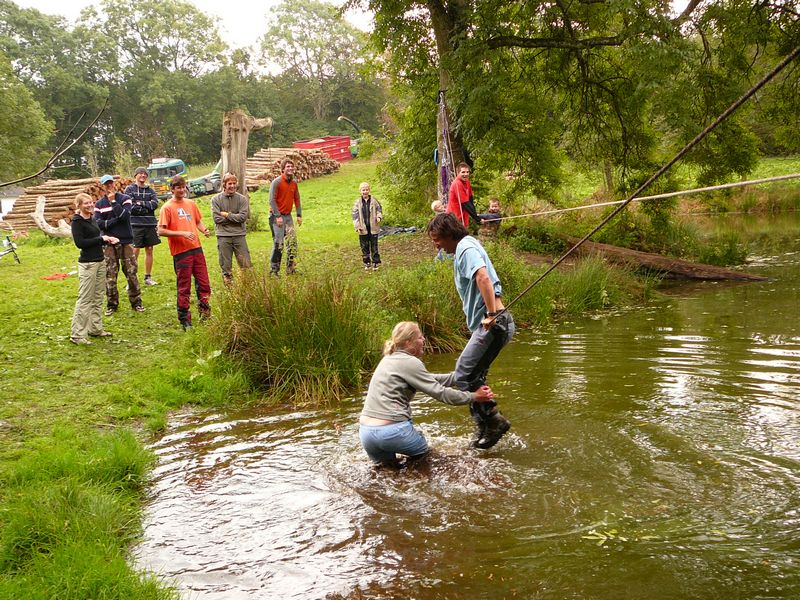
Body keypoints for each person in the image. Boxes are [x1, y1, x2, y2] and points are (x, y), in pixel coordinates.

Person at [426, 212, 515, 449]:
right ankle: (485, 427)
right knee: (474, 377)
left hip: (495, 323)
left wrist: (490, 314)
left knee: (463, 374)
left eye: (436, 238)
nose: (435, 244)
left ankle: (493, 420)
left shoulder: (465, 249)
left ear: (448, 234)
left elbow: (483, 277)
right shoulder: (467, 246)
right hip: (496, 323)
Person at [360, 321, 495, 466]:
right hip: (393, 432)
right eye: (420, 337)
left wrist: (458, 377)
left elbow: (429, 379)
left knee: (388, 474)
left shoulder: (388, 360)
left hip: (366, 433)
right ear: (408, 342)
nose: (424, 340)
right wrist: (474, 396)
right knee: (430, 462)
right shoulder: (411, 362)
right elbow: (441, 394)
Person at [157, 175, 212, 330]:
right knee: (184, 286)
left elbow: (197, 221)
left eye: (183, 187)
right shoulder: (167, 208)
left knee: (204, 282)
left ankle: (205, 312)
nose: (181, 190)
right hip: (181, 252)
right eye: (178, 187)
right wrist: (181, 233)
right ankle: (184, 319)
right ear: (172, 189)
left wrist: (204, 230)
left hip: (196, 248)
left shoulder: (191, 203)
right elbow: (161, 231)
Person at [70, 193, 119, 345]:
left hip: (100, 261)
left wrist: (108, 239)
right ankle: (77, 335)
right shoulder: (77, 222)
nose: (90, 205)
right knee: (85, 299)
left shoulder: (92, 218)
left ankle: (95, 329)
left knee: (98, 297)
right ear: (79, 205)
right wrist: (101, 239)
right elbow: (80, 243)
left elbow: (96, 238)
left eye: (91, 202)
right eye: (86, 203)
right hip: (88, 264)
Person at [93, 174, 144, 315]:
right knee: (110, 275)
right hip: (108, 243)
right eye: (106, 184)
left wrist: (114, 202)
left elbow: (125, 216)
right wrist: (113, 221)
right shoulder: (98, 204)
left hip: (126, 242)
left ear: (114, 184)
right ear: (102, 186)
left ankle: (136, 302)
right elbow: (98, 223)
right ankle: (112, 305)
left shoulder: (125, 199)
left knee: (131, 273)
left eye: (110, 183)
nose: (109, 186)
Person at [211, 172, 251, 285]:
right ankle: (229, 290)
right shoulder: (216, 199)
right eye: (230, 183)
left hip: (239, 235)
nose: (232, 186)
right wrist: (235, 217)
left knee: (245, 264)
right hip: (223, 236)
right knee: (226, 266)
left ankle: (246, 287)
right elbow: (217, 219)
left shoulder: (242, 199)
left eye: (234, 183)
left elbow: (243, 217)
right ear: (224, 184)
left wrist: (227, 215)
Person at [124, 166, 160, 286]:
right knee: (135, 250)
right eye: (140, 173)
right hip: (135, 224)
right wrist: (146, 208)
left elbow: (155, 203)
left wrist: (141, 203)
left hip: (150, 224)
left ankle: (147, 277)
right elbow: (130, 206)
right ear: (136, 175)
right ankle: (132, 279)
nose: (143, 176)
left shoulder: (151, 190)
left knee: (149, 249)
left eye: (145, 174)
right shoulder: (129, 189)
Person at [268, 159, 302, 275]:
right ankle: (274, 270)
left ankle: (291, 268)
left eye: (292, 166)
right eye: (288, 166)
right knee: (279, 244)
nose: (290, 168)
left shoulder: (294, 183)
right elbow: (271, 200)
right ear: (283, 169)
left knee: (292, 243)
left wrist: (298, 214)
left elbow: (297, 198)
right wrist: (277, 216)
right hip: (276, 217)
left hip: (288, 217)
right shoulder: (276, 182)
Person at [351, 181, 382, 271]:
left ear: (369, 190)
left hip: (373, 227)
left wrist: (379, 217)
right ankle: (367, 262)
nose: (365, 192)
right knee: (364, 246)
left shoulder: (374, 201)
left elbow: (379, 209)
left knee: (374, 245)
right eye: (363, 190)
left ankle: (375, 262)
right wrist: (357, 226)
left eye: (366, 190)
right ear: (360, 191)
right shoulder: (357, 202)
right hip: (363, 228)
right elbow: (354, 215)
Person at [447, 162, 481, 228]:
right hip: (454, 218)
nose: (466, 174)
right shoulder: (457, 184)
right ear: (458, 173)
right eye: (463, 172)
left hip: (463, 216)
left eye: (467, 172)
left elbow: (470, 200)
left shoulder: (467, 182)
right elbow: (465, 204)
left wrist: (476, 216)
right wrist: (477, 218)